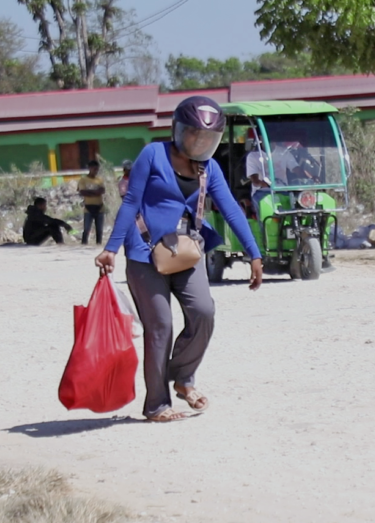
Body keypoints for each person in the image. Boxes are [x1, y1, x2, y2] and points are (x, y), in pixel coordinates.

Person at [95, 95, 264, 423]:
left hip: (186, 252)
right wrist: (111, 248)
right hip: (145, 255)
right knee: (160, 326)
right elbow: (131, 202)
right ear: (178, 129)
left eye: (207, 138)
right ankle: (157, 405)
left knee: (204, 311)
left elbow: (230, 209)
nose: (200, 142)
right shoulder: (153, 155)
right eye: (194, 134)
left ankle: (184, 379)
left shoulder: (209, 168)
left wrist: (254, 253)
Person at [78, 160, 105, 245]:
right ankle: (84, 244)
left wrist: (90, 192)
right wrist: (95, 192)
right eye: (94, 169)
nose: (95, 171)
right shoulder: (83, 180)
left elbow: (102, 190)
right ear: (89, 168)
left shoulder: (99, 180)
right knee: (86, 229)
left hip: (99, 207)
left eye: (97, 169)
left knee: (99, 230)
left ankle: (98, 244)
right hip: (88, 207)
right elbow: (83, 192)